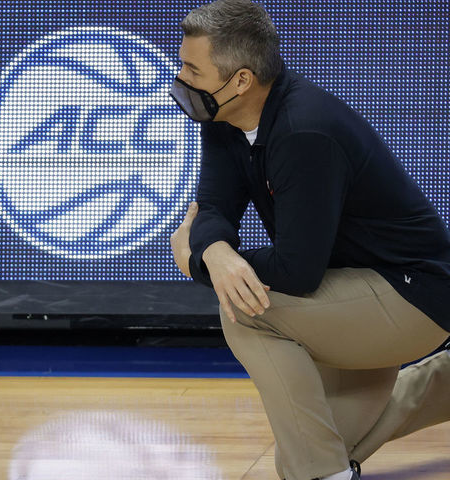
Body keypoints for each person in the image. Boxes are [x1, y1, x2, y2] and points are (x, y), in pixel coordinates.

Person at [167, 1, 450, 479]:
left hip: (413, 293)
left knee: (245, 306)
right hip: (351, 288)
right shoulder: (223, 122)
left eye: (192, 69)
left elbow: (297, 271)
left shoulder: (304, 132)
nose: (180, 79)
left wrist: (198, 261)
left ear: (239, 80)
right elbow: (212, 208)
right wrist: (213, 253)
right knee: (308, 451)